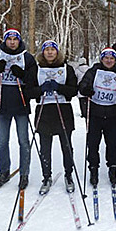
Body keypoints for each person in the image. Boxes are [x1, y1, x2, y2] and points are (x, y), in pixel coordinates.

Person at [0, 28, 37, 190]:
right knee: (2, 142)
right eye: (9, 39)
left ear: (19, 41)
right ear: (5, 40)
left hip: (21, 104)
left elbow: (34, 80)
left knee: (23, 141)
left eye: (15, 39)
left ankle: (24, 174)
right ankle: (4, 171)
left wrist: (21, 73)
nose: (12, 42)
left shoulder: (26, 57)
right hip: (2, 104)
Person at [28, 40, 78, 194]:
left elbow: (73, 90)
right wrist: (40, 89)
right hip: (44, 110)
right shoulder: (36, 69)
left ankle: (68, 175)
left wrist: (59, 88)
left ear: (57, 52)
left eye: (52, 50)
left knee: (66, 146)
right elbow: (28, 92)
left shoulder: (66, 68)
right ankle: (46, 176)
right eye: (46, 50)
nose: (50, 52)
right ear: (42, 53)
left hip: (63, 110)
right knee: (45, 147)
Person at [78, 47, 116, 186]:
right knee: (93, 144)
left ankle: (112, 169)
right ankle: (93, 169)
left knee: (112, 144)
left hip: (113, 115)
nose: (108, 61)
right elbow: (82, 85)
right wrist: (86, 89)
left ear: (115, 60)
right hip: (95, 114)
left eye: (111, 58)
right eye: (106, 58)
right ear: (102, 59)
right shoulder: (93, 71)